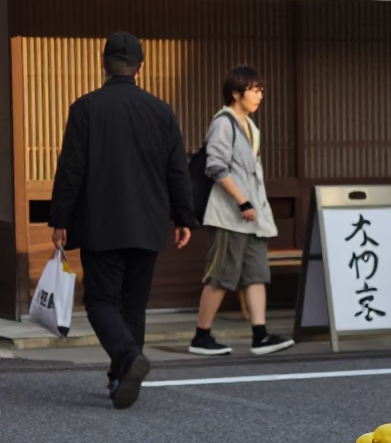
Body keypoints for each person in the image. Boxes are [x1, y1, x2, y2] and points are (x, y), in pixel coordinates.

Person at [49, 32, 196, 409]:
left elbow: (71, 169)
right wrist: (184, 217)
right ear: (140, 68)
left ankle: (128, 360)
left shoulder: (86, 108)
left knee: (100, 302)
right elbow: (177, 170)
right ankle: (121, 377)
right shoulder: (161, 111)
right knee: (132, 305)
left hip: (101, 223)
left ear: (103, 64)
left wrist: (59, 217)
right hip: (147, 223)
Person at [189, 66, 294, 357]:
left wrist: (253, 206)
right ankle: (201, 335)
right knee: (221, 275)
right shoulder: (223, 122)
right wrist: (241, 201)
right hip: (230, 216)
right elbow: (216, 167)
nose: (260, 95)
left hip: (253, 217)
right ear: (236, 92)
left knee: (256, 274)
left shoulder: (249, 124)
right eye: (254, 90)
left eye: (261, 90)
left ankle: (260, 335)